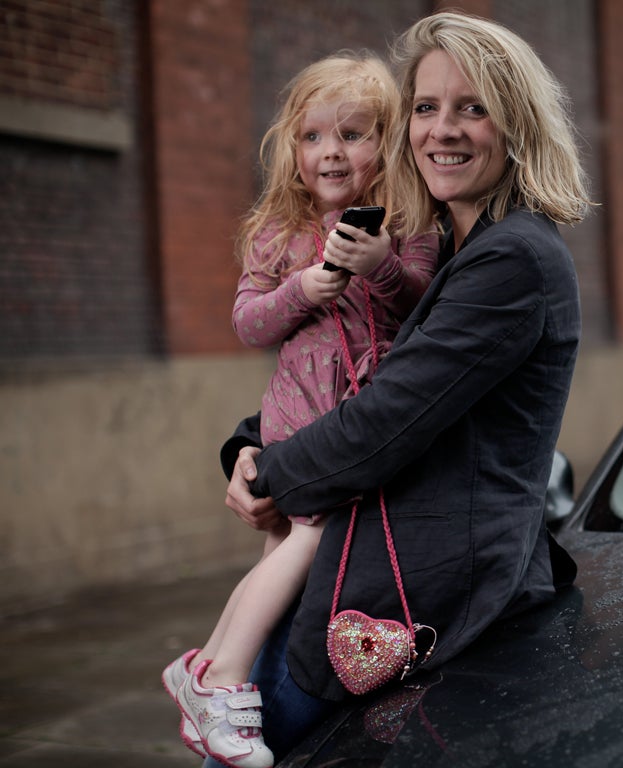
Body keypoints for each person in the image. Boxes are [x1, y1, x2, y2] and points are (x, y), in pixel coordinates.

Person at [215, 11, 594, 766]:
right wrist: (249, 445)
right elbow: (357, 371)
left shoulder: (511, 260)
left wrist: (276, 473)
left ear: (515, 125)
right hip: (371, 574)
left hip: (411, 592)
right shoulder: (460, 244)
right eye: (426, 108)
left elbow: (385, 419)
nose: (441, 130)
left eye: (471, 107)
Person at [160, 51, 439, 768]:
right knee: (297, 555)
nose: (330, 152)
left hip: (353, 426)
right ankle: (220, 682)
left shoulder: (409, 224)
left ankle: (215, 686)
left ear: (388, 144)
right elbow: (248, 323)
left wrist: (377, 261)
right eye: (313, 137)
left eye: (353, 134)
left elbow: (419, 308)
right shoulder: (279, 233)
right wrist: (300, 291)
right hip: (298, 423)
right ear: (292, 147)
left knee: (281, 578)